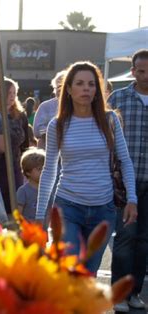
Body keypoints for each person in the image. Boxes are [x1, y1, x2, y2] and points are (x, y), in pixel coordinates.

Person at [36, 61, 137, 275]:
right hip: (67, 207)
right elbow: (49, 169)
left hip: (104, 208)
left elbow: (125, 160)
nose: (86, 89)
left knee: (87, 275)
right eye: (80, 83)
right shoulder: (58, 124)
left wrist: (132, 199)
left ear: (97, 90)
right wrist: (39, 217)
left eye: (91, 84)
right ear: (69, 89)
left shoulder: (110, 120)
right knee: (71, 270)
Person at [109, 49, 148, 312]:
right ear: (132, 71)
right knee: (124, 239)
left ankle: (134, 293)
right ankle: (118, 294)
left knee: (144, 241)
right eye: (141, 70)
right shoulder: (118, 98)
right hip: (126, 182)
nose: (146, 75)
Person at [0, 77, 31, 212]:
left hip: (15, 164)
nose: (12, 96)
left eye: (14, 93)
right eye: (9, 93)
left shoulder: (20, 115)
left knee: (16, 201)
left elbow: (25, 143)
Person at [33, 70, 66, 149]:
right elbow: (37, 130)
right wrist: (50, 133)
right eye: (57, 87)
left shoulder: (79, 106)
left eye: (62, 86)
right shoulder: (45, 106)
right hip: (48, 150)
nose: (59, 90)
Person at [17, 148, 45, 221]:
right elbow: (18, 214)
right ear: (28, 172)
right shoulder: (23, 191)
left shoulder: (48, 190)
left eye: (44, 168)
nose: (43, 171)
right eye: (39, 169)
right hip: (29, 229)